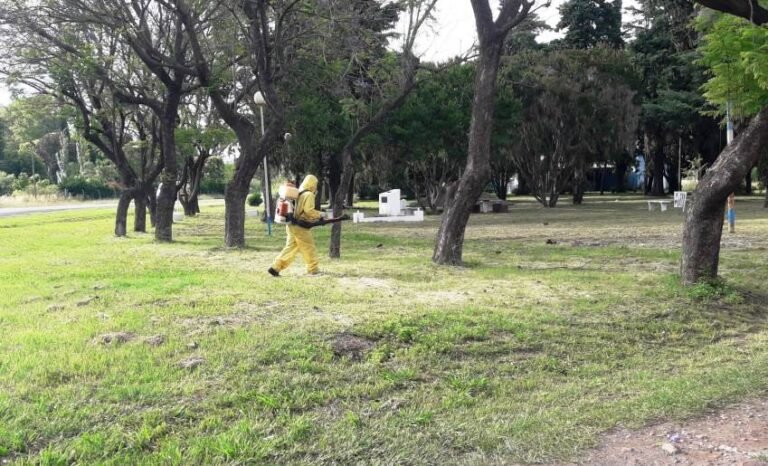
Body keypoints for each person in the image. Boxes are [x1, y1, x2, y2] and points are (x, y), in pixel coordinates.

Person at [268, 174, 323, 276]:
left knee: (290, 248)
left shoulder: (299, 194)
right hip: (300, 227)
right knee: (309, 247)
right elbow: (308, 211)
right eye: (315, 184)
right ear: (312, 184)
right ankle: (313, 269)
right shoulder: (309, 195)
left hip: (290, 225)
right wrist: (320, 214)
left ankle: (275, 267)